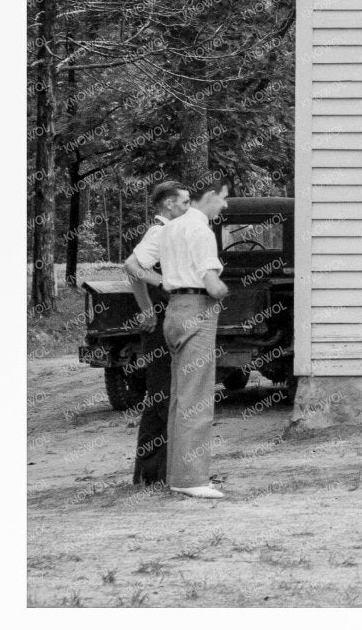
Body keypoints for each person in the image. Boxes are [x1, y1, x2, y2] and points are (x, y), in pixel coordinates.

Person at [158, 180, 233, 500]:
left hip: (174, 308)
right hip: (198, 309)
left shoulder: (172, 228)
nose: (225, 205)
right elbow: (210, 280)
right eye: (224, 198)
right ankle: (191, 478)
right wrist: (224, 291)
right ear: (211, 195)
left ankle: (178, 474)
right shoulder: (201, 231)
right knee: (198, 396)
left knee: (180, 397)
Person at [121, 179, 189, 486]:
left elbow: (137, 272)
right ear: (168, 205)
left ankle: (152, 473)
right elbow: (133, 266)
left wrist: (145, 306)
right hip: (163, 319)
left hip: (163, 316)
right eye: (185, 202)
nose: (188, 207)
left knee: (160, 393)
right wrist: (158, 291)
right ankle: (162, 473)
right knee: (163, 393)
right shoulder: (159, 232)